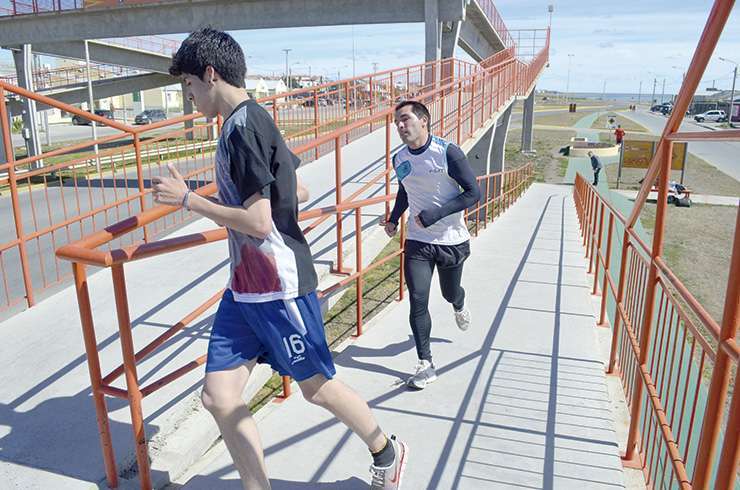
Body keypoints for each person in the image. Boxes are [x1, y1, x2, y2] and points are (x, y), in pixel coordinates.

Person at [152, 28, 407, 490]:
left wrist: (188, 200)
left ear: (210, 74)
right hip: (244, 288)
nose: (188, 96)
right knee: (219, 396)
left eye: (188, 85)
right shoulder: (252, 121)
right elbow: (299, 187)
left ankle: (386, 450)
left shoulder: (242, 128)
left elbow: (259, 222)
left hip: (278, 287)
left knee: (317, 388)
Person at [381, 101, 480, 390]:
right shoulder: (399, 159)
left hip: (451, 240)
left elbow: (474, 192)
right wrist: (394, 219)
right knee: (418, 299)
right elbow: (405, 190)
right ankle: (426, 363)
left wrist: (435, 214)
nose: (400, 126)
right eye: (396, 121)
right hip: (418, 240)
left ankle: (459, 304)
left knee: (450, 293)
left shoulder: (448, 151)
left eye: (405, 119)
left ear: (423, 121)